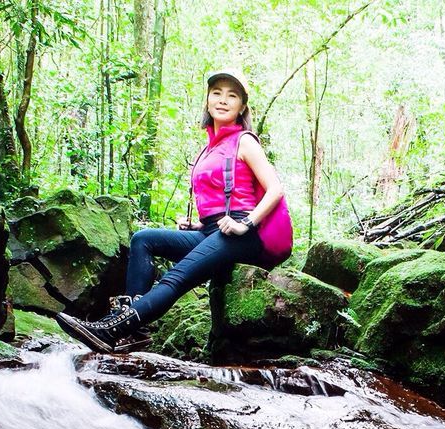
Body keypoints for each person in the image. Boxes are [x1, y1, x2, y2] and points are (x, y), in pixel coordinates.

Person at [57, 69, 284, 353]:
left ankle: (113, 330)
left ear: (242, 107)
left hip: (239, 233)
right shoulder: (210, 147)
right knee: (143, 239)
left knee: (175, 277)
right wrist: (200, 225)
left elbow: (275, 188)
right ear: (207, 100)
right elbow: (216, 198)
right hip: (213, 231)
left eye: (232, 95)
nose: (223, 100)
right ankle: (132, 331)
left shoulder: (245, 141)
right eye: (216, 93)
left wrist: (246, 224)